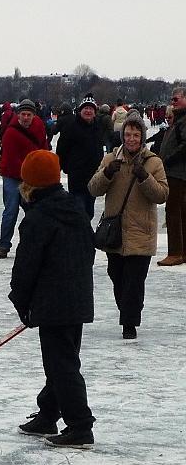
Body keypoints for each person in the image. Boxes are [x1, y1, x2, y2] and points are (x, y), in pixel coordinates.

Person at [8, 149, 96, 449]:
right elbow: (89, 252)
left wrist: (22, 302)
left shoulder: (38, 219)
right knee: (61, 362)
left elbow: (25, 268)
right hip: (77, 299)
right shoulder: (75, 209)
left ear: (29, 183)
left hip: (54, 303)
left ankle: (80, 425)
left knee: (62, 366)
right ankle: (48, 413)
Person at [87, 111, 168, 339]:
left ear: (142, 137)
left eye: (136, 134)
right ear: (122, 136)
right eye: (128, 134)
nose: (131, 139)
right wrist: (107, 173)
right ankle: (128, 313)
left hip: (141, 233)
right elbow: (93, 188)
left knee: (134, 282)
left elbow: (162, 194)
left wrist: (145, 177)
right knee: (117, 276)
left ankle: (129, 323)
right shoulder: (111, 159)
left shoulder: (154, 162)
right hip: (116, 234)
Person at [0, 99, 49, 259]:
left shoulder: (38, 125)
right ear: (18, 115)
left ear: (34, 115)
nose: (26, 118)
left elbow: (43, 146)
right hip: (12, 175)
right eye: (23, 114)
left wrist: (45, 165)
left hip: (31, 175)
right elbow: (12, 160)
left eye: (29, 115)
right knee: (11, 211)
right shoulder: (11, 133)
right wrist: (28, 177)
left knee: (34, 212)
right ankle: (3, 245)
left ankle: (34, 244)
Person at [55, 95, 105, 220]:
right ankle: (79, 238)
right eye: (85, 108)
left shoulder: (97, 128)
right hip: (77, 178)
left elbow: (99, 149)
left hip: (93, 177)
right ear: (80, 110)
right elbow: (61, 150)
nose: (88, 111)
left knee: (89, 212)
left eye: (91, 109)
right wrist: (68, 168)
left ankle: (84, 237)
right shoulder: (71, 127)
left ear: (95, 111)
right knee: (78, 211)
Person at [155, 87, 186, 266]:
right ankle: (182, 251)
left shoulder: (183, 120)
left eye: (176, 99)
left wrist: (168, 160)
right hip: (176, 172)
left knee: (173, 211)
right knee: (180, 210)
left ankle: (175, 252)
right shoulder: (179, 119)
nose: (173, 102)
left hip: (176, 172)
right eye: (172, 99)